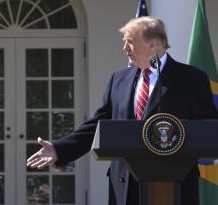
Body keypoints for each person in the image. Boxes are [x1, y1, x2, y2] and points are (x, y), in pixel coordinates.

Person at [26, 16, 218, 205]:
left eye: (130, 42)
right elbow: (97, 125)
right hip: (124, 185)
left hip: (174, 185)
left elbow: (208, 128)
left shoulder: (191, 79)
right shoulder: (119, 80)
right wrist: (61, 149)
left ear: (153, 45)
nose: (125, 48)